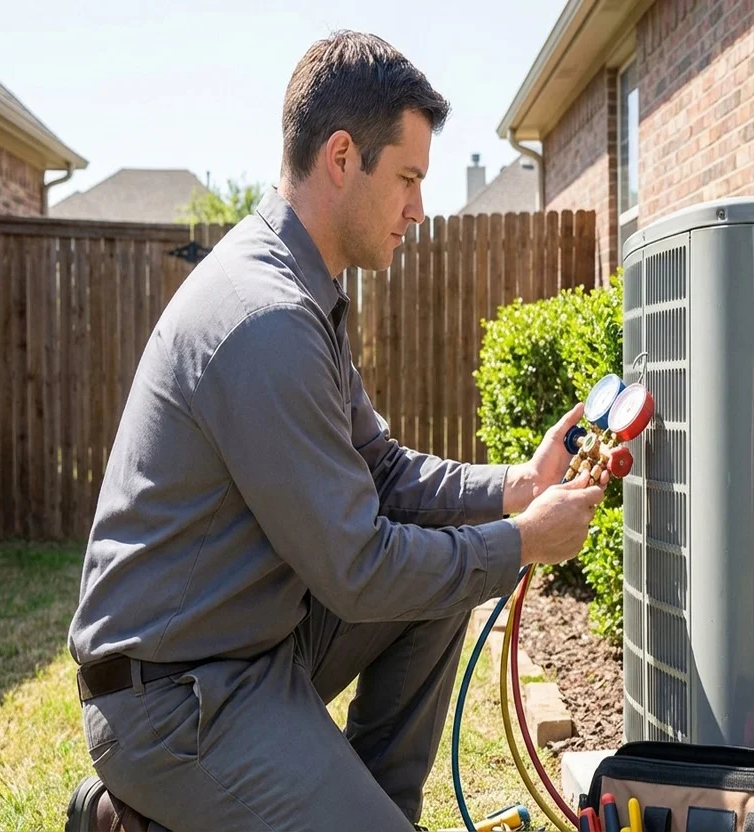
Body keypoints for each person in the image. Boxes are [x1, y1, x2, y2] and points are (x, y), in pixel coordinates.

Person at [63, 30, 607, 832]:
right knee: (450, 565)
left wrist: (513, 489)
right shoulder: (266, 319)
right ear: (343, 157)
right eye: (409, 178)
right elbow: (358, 568)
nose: (420, 208)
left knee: (445, 573)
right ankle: (135, 811)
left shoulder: (297, 289)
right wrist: (522, 541)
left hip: (250, 645)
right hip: (173, 699)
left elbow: (381, 472)